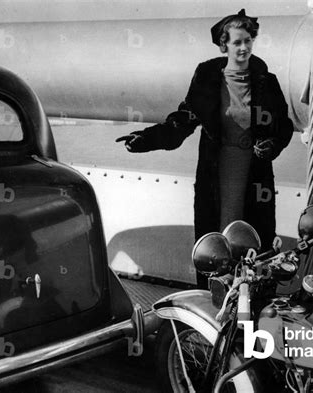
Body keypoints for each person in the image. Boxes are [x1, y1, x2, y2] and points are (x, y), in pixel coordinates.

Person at [116, 9, 294, 288]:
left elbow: (283, 126)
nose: (244, 47)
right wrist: (146, 139)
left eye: (248, 40)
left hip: (255, 174)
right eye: (237, 42)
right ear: (224, 45)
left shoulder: (265, 81)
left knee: (254, 243)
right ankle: (215, 306)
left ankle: (253, 309)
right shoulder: (208, 78)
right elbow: (183, 120)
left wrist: (273, 144)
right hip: (217, 172)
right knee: (216, 241)